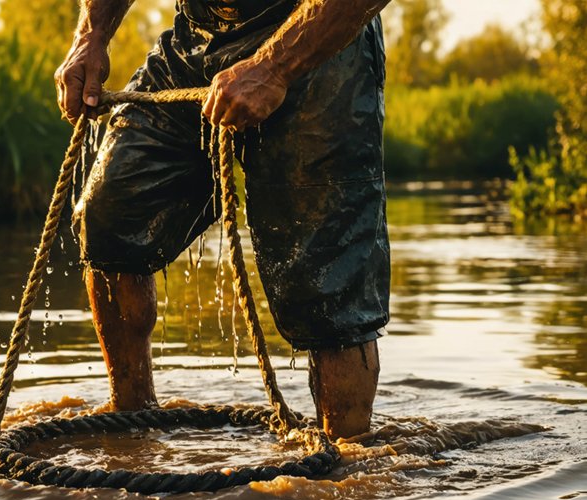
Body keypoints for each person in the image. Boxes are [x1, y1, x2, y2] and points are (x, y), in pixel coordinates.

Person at [55, 0, 393, 439]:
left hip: (319, 38)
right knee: (109, 213)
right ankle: (131, 417)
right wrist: (91, 36)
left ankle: (349, 461)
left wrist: (273, 67)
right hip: (195, 42)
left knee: (330, 277)